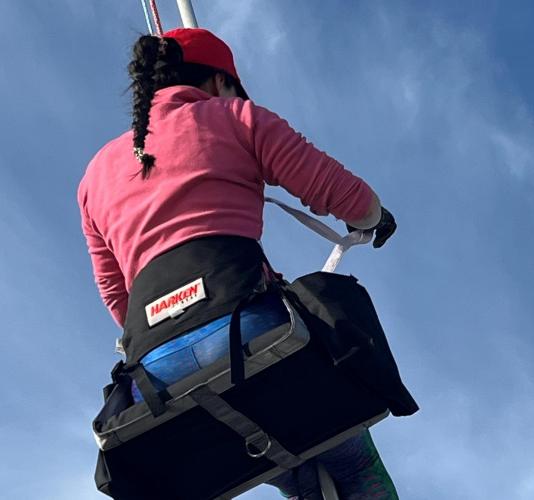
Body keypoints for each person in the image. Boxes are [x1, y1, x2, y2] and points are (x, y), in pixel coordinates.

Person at [78, 28, 399, 499]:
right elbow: (344, 195)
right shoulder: (236, 117)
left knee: (295, 471)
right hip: (250, 333)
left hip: (156, 374)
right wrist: (375, 218)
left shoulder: (95, 175)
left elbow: (116, 296)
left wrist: (173, 327)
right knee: (352, 468)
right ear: (217, 81)